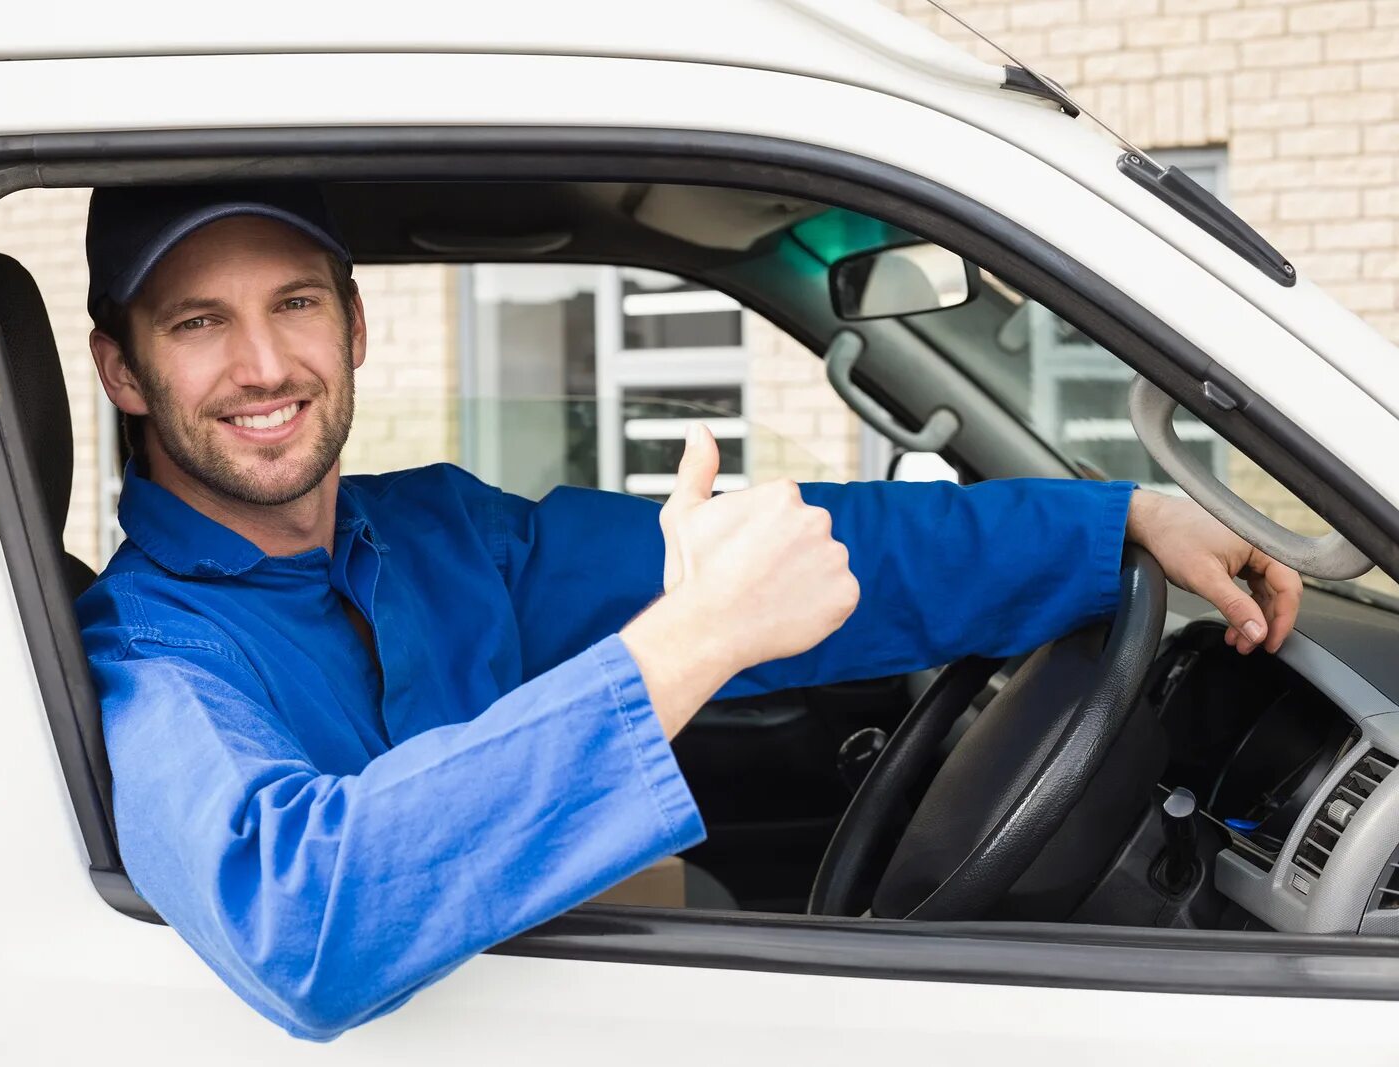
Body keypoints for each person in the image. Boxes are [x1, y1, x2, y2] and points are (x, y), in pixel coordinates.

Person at [75, 182, 1302, 1041]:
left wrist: (1113, 525)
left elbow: (810, 547)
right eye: (197, 323)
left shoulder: (443, 535)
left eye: (293, 303)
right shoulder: (152, 650)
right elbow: (306, 917)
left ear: (350, 324)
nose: (264, 365)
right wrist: (690, 641)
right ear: (123, 369)